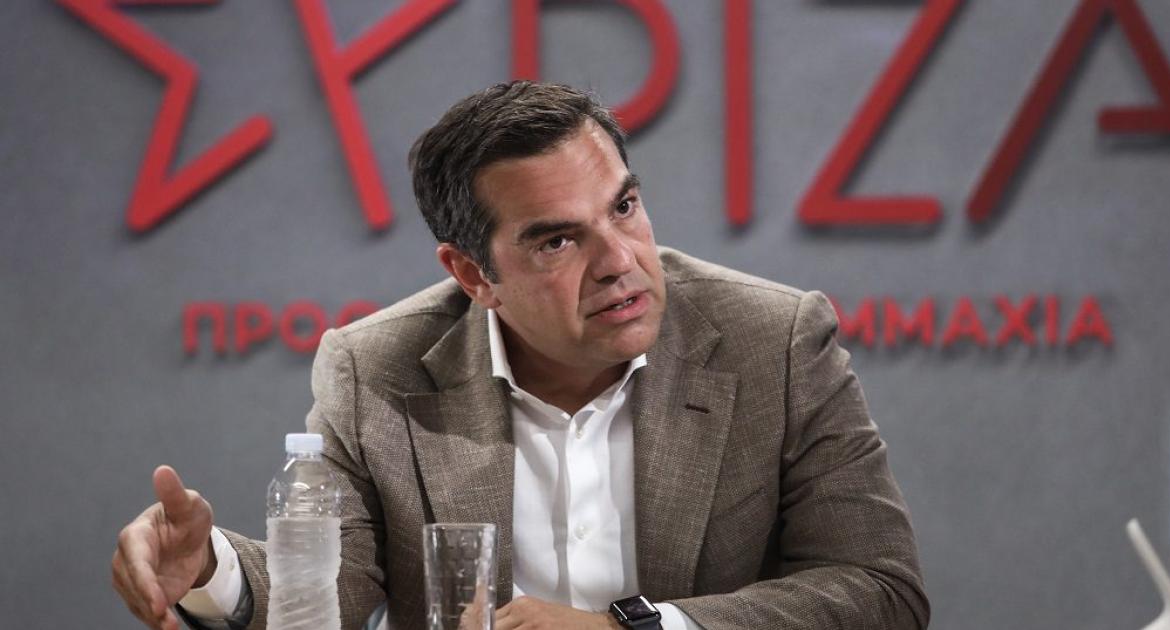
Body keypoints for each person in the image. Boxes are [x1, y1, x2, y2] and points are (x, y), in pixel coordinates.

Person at [112, 81, 929, 630]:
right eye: (558, 241)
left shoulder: (775, 340)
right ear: (473, 275)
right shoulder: (374, 371)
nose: (619, 261)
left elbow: (879, 589)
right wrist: (211, 570)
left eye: (625, 207)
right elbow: (334, 588)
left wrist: (634, 628)